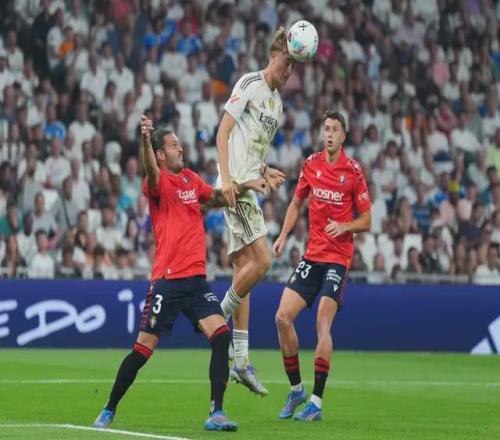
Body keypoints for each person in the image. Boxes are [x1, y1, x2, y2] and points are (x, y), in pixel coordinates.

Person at [93, 115, 266, 432]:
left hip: (196, 281)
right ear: (160, 154)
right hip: (167, 281)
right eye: (173, 145)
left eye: (178, 144)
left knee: (221, 336)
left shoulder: (190, 178)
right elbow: (150, 171)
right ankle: (109, 408)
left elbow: (217, 197)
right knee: (142, 350)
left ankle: (216, 412)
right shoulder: (157, 183)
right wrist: (145, 141)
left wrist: (246, 186)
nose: (181, 148)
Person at [272, 111, 372, 421]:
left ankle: (315, 402)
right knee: (282, 318)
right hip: (312, 256)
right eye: (326, 128)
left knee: (322, 322)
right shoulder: (311, 164)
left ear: (343, 136)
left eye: (335, 129)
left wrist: (345, 226)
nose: (329, 134)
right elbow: (295, 203)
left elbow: (367, 220)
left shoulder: (353, 171)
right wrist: (283, 235)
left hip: (337, 259)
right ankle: (296, 390)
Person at [215, 26, 292, 396]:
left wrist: (264, 170)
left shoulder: (277, 106)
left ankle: (241, 361)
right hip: (236, 189)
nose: (289, 72)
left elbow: (252, 147)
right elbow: (223, 133)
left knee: (244, 270)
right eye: (286, 63)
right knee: (262, 261)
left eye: (294, 67)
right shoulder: (249, 83)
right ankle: (216, 316)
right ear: (273, 57)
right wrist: (228, 181)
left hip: (249, 185)